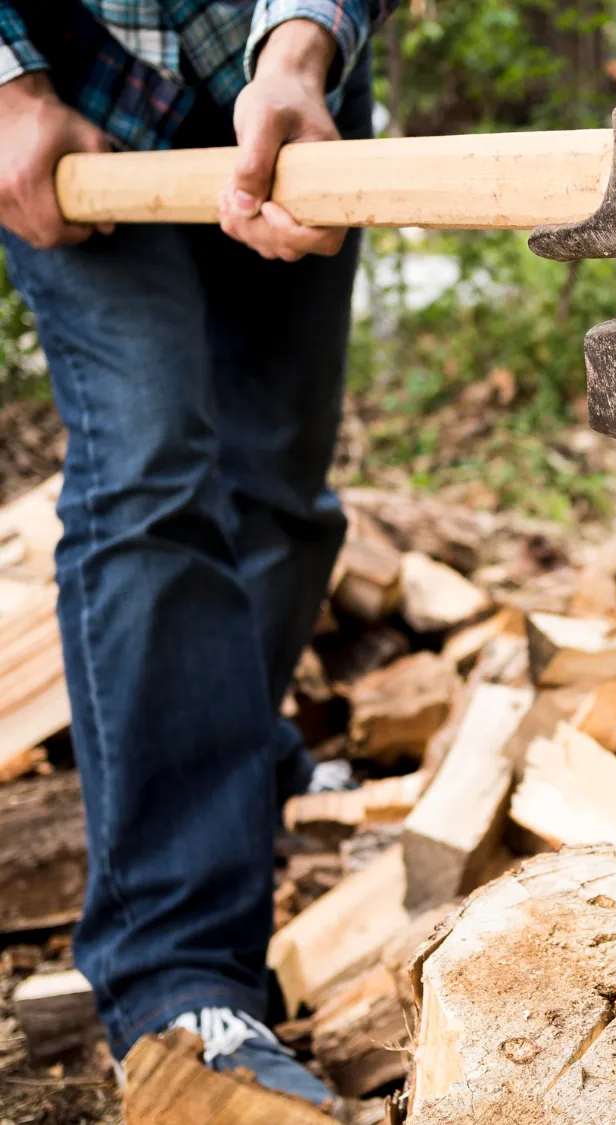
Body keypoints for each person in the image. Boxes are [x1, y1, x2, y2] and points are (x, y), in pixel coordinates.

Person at [0, 0, 396, 1107]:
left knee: (277, 493)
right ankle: (175, 979)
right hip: (52, 75)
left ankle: (215, 746)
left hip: (272, 66)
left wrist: (298, 53)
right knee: (151, 467)